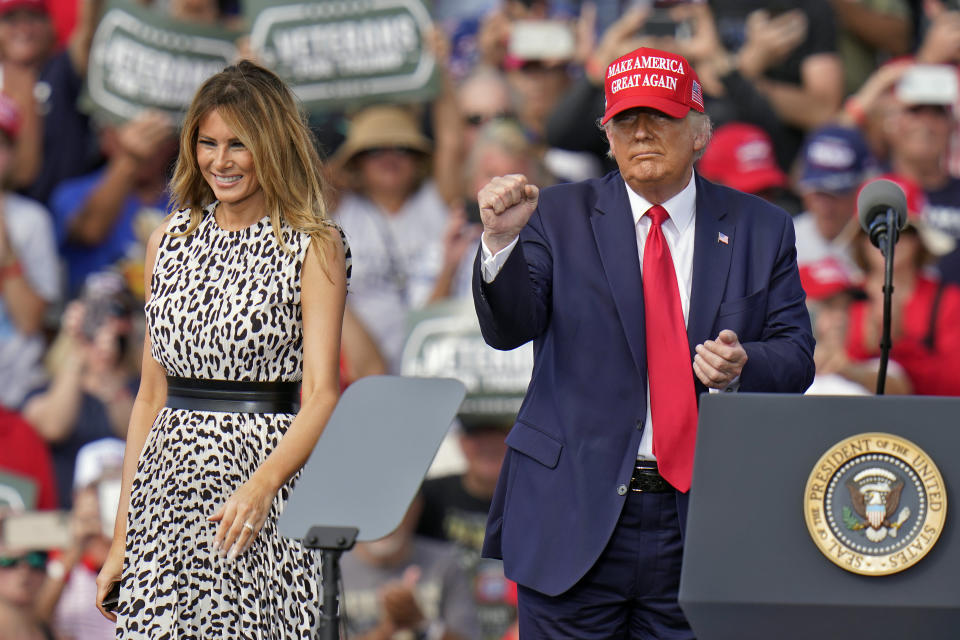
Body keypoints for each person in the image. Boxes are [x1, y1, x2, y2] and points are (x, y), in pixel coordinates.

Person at [473, 46, 814, 637]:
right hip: (572, 511)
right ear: (607, 136)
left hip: (701, 520)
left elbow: (796, 355)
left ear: (699, 131)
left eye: (660, 116)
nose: (642, 133)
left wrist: (742, 365)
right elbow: (508, 330)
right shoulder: (555, 215)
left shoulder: (762, 227)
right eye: (626, 120)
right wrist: (499, 246)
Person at [94, 60, 349, 638]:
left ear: (274, 145)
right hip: (166, 495)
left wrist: (260, 488)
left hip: (265, 494)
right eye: (207, 143)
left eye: (239, 144)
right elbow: (149, 398)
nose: (220, 160)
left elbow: (322, 395)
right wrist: (121, 539)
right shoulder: (168, 239)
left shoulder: (315, 243)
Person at [844, 174, 960, 396]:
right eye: (874, 231)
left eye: (903, 230)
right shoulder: (840, 295)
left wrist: (900, 345)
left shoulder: (949, 301)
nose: (890, 239)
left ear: (920, 240)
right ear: (859, 239)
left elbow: (954, 386)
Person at [340, 496, 482, 640]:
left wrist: (422, 623)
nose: (384, 522)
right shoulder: (331, 569)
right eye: (373, 509)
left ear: (416, 508)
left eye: (395, 508)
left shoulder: (445, 563)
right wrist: (387, 629)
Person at [792, 124, 878, 272]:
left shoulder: (877, 247)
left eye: (837, 194)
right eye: (818, 193)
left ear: (861, 189)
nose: (825, 206)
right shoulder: (782, 243)